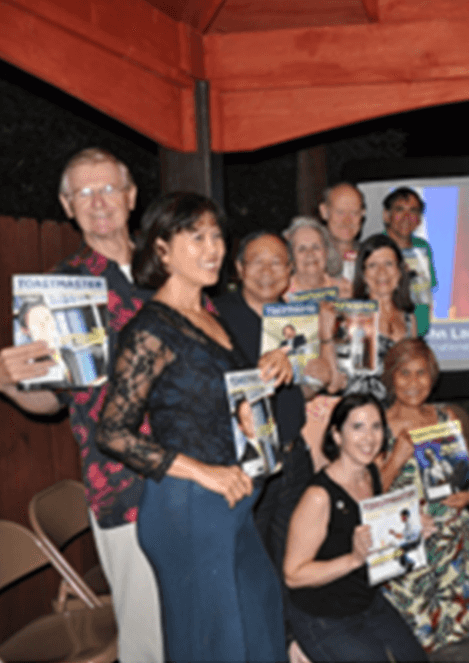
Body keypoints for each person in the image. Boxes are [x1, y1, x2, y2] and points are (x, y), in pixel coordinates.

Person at [95, 192, 291, 662]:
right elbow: (113, 432)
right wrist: (205, 471)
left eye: (217, 236)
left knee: (261, 633)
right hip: (188, 506)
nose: (213, 248)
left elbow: (222, 406)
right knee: (215, 649)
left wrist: (266, 376)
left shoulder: (210, 316)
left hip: (234, 501)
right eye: (196, 236)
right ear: (161, 249)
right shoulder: (151, 328)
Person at [0, 147, 163, 663]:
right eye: (83, 193)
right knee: (149, 639)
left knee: (201, 620)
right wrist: (11, 384)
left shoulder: (171, 267)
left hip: (197, 474)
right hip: (125, 485)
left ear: (132, 197)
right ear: (66, 206)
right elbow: (51, 401)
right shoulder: (56, 292)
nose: (98, 202)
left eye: (108, 188)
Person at [214, 229, 340, 567]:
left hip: (293, 458)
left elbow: (299, 392)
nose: (267, 271)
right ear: (239, 268)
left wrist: (316, 376)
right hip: (246, 464)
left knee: (292, 561)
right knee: (250, 564)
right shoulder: (215, 317)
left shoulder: (295, 319)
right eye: (257, 262)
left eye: (277, 263)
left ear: (289, 272)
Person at [283, 393, 429, 663]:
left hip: (365, 600)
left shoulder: (370, 473)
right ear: (337, 435)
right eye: (357, 427)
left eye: (376, 427)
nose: (369, 438)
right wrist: (353, 560)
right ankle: (303, 648)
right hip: (322, 614)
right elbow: (293, 575)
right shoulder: (319, 496)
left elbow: (374, 530)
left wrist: (411, 528)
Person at [378, 338, 469, 651]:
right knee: (415, 634)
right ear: (390, 378)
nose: (413, 382)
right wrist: (397, 457)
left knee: (455, 629)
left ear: (432, 378)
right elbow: (367, 492)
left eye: (421, 373)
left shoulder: (446, 416)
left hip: (452, 537)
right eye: (404, 373)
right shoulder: (375, 425)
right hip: (405, 536)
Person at [343, 234, 418, 401]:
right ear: (362, 274)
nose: (382, 272)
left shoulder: (409, 318)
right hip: (364, 412)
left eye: (388, 264)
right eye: (373, 265)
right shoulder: (353, 316)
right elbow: (345, 379)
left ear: (400, 271)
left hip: (401, 407)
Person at [283, 215, 348, 297]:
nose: (310, 253)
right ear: (291, 257)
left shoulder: (344, 290)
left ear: (327, 252)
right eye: (302, 249)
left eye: (316, 247)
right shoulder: (281, 294)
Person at [319, 182, 366, 282]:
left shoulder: (370, 258)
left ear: (363, 214)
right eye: (340, 212)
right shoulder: (311, 259)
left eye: (354, 213)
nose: (347, 221)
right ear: (324, 212)